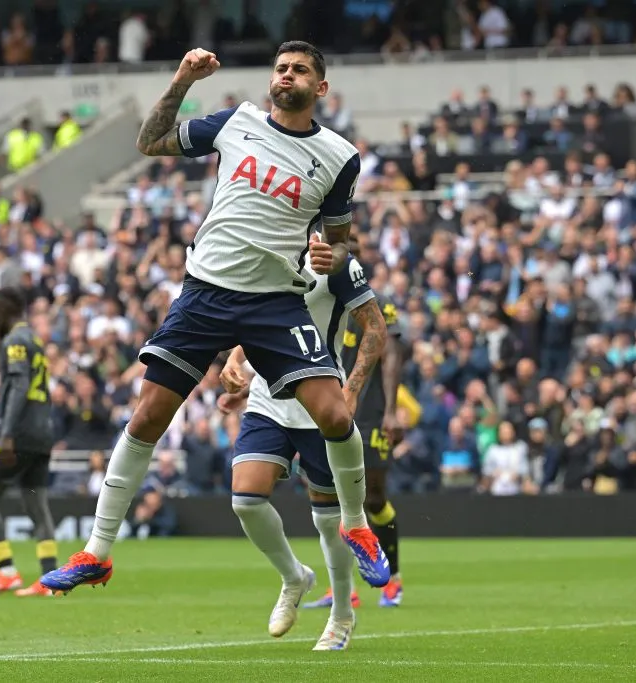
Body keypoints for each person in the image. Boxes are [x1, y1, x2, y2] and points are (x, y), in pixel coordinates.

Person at [41, 42, 390, 595]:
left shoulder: (339, 156)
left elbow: (339, 243)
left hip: (275, 301)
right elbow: (149, 141)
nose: (286, 75)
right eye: (280, 68)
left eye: (299, 70)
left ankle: (356, 525)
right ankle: (97, 552)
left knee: (333, 413)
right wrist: (182, 79)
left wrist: (334, 255)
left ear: (319, 88)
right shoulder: (236, 122)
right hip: (206, 293)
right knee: (150, 413)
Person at [216, 232, 388, 650]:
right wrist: (236, 360)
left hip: (319, 402)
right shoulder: (264, 255)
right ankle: (295, 576)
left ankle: (342, 615)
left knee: (329, 522)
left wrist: (351, 391)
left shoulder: (334, 262)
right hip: (268, 398)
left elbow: (376, 329)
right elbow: (258, 323)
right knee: (245, 500)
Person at [306, 271, 405, 609]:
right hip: (330, 403)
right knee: (333, 497)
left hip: (371, 409)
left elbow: (391, 354)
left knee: (374, 497)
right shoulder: (315, 293)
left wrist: (391, 409)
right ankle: (342, 587)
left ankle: (393, 579)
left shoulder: (376, 301)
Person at [0, 287, 59, 597]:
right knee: (36, 503)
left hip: (20, 435)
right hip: (42, 434)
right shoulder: (34, 340)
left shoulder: (14, 342)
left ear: (6, 312)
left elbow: (19, 388)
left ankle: (6, 571)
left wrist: (5, 435)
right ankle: (51, 579)